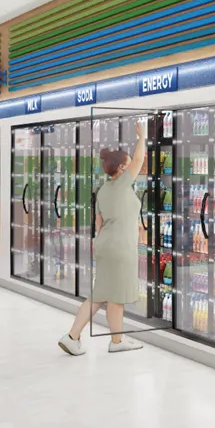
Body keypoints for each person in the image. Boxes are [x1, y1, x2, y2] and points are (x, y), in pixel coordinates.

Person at [59, 120, 147, 355]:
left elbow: (99, 223)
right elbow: (139, 160)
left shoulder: (103, 189)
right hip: (120, 247)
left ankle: (74, 336)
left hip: (106, 244)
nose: (132, 169)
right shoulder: (122, 184)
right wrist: (142, 137)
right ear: (120, 169)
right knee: (115, 296)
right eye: (127, 166)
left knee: (102, 294)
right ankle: (116, 342)